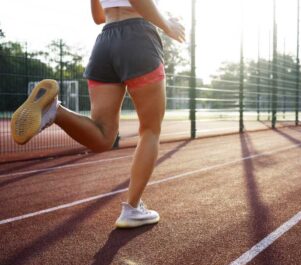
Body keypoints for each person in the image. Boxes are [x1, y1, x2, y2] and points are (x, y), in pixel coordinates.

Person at [11, 0, 185, 228]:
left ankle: (55, 110)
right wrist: (167, 25)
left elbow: (98, 16)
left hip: (105, 42)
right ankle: (132, 208)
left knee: (103, 137)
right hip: (139, 38)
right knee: (150, 130)